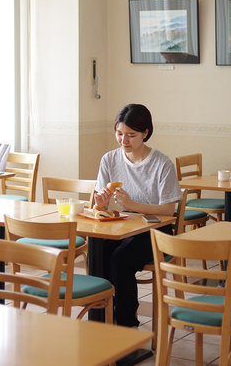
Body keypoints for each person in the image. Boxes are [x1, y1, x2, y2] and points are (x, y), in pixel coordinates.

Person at [94, 103, 182, 327]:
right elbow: (99, 206)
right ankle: (104, 312)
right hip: (124, 226)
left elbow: (168, 209)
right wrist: (102, 205)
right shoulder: (109, 159)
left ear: (145, 133)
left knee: (120, 258)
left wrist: (134, 204)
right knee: (99, 250)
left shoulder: (161, 163)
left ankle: (126, 320)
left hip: (156, 231)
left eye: (131, 135)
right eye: (119, 133)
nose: (124, 141)